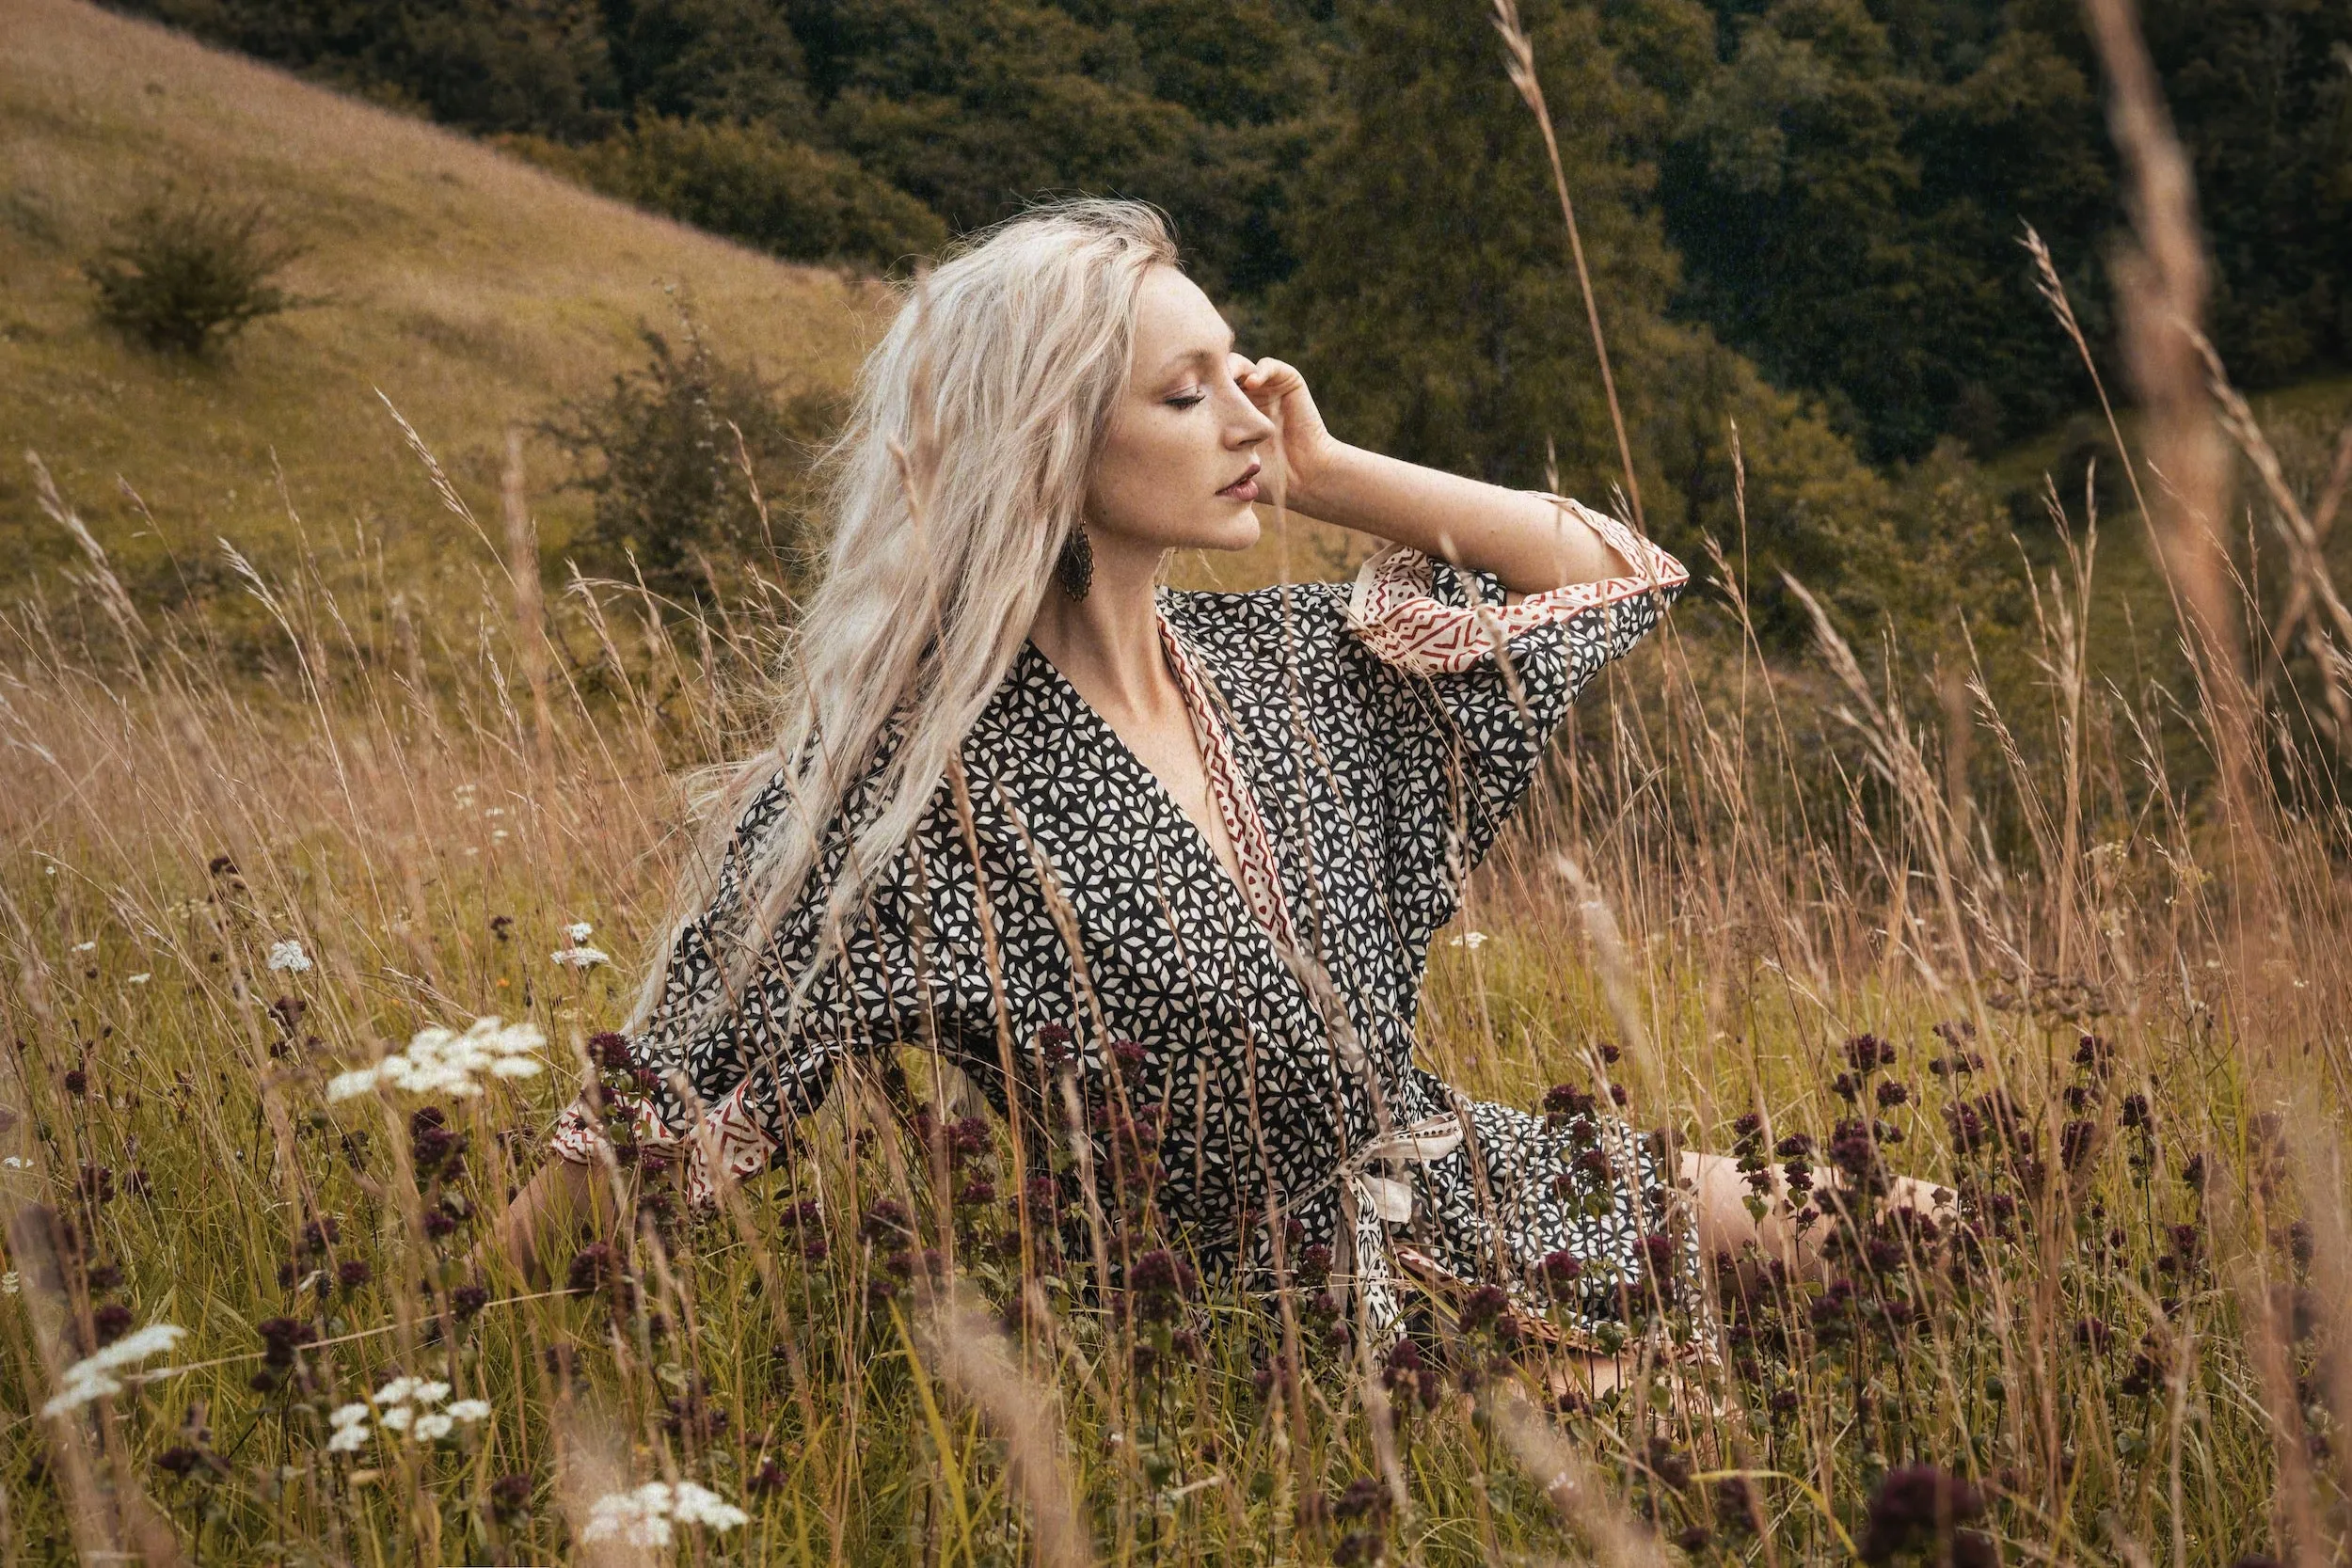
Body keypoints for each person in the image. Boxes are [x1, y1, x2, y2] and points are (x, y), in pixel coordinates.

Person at [489, 198, 1934, 1388]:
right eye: (1188, 394)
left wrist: (1330, 471)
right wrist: (441, 1340)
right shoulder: (907, 794)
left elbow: (1616, 570)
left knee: (1926, 1234)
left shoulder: (1295, 660)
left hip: (1467, 1180)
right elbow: (652, 1114)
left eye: (1247, 373)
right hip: (1263, 1332)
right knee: (1712, 1423)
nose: (1245, 414)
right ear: (1045, 443)